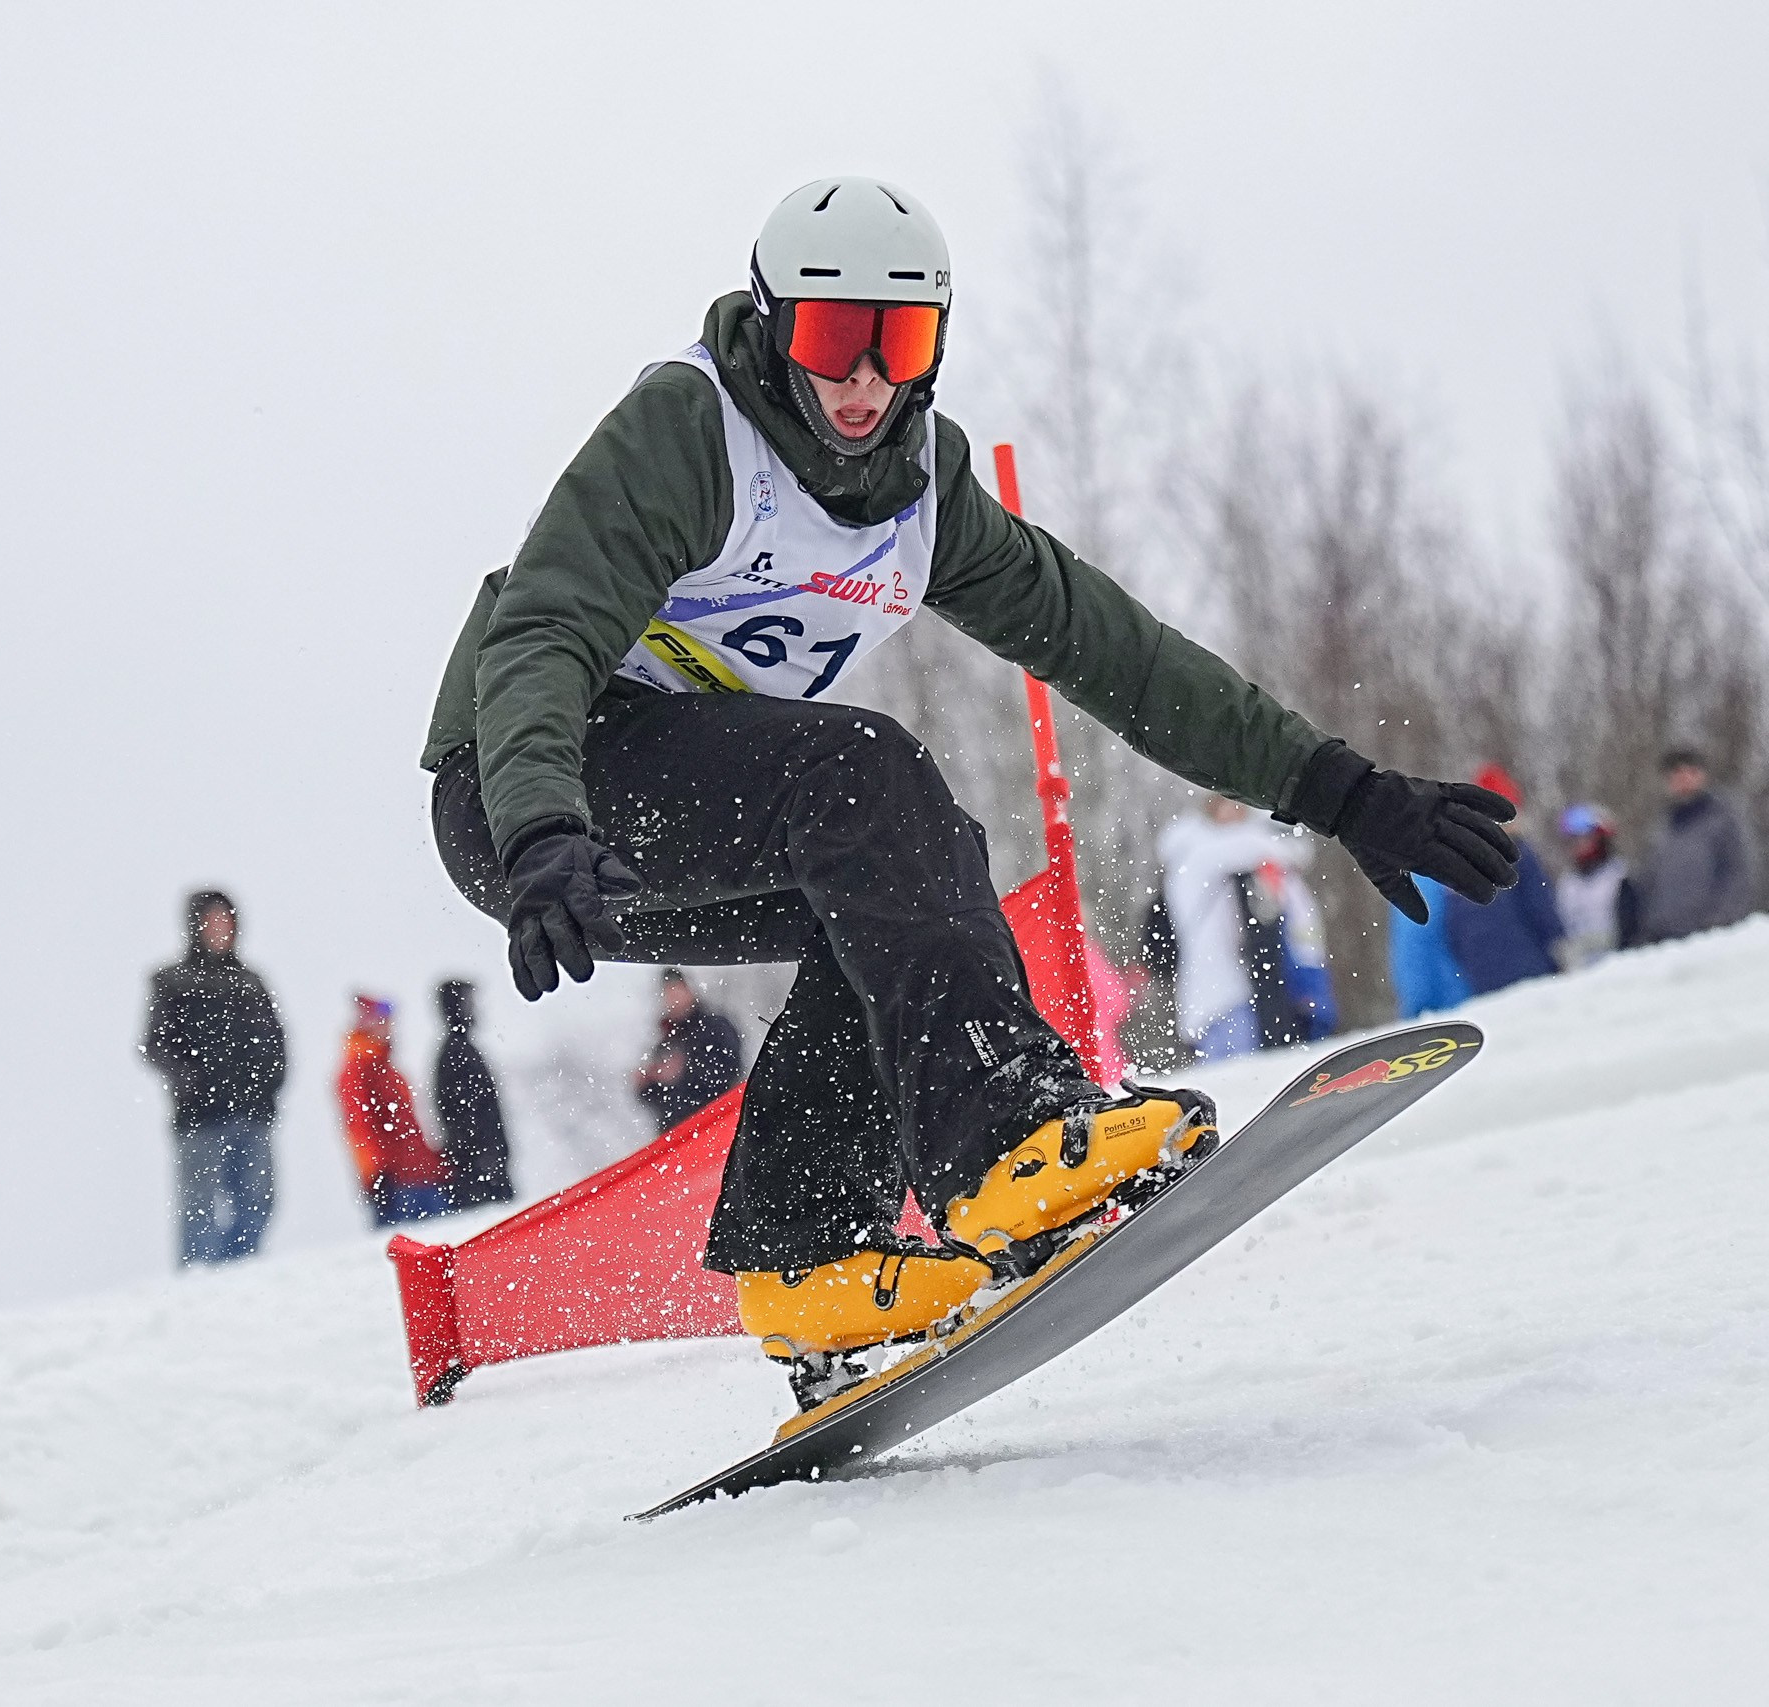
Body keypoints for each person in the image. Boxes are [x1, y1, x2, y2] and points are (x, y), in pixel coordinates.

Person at [420, 176, 1519, 1401]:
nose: (861, 381)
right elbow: (545, 631)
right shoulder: (691, 430)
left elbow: (1118, 655)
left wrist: (1339, 791)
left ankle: (809, 1259)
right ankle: (1008, 1142)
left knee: (909, 873)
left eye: (896, 344)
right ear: (775, 327)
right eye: (832, 338)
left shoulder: (920, 495)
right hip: (532, 789)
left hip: (659, 804)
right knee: (862, 771)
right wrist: (539, 825)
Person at [139, 890, 284, 1266]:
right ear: (194, 926)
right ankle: (200, 1283)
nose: (220, 928)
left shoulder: (250, 982)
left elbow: (275, 1040)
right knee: (199, 1210)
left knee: (259, 1201)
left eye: (226, 920)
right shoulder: (172, 981)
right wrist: (191, 1082)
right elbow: (155, 1044)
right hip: (200, 1119)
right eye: (212, 920)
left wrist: (268, 1086)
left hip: (252, 1114)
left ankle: (240, 1273)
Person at [1155, 796, 1331, 1060]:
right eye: (1231, 805)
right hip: (1218, 994)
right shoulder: (1196, 854)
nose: (1237, 814)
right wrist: (1287, 844)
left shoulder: (1196, 855)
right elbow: (1256, 848)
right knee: (1238, 1073)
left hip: (1223, 992)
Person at [1443, 764, 1567, 997]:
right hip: (1530, 971)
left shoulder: (1458, 864)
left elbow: (1454, 934)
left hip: (1482, 983)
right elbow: (1540, 907)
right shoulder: (1517, 853)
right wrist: (1560, 947)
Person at [336, 995, 453, 1226]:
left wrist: (435, 1163)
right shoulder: (358, 1070)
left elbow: (408, 1126)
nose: (389, 1027)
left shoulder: (385, 1068)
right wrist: (376, 1175)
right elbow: (359, 1127)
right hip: (399, 1185)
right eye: (381, 1020)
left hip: (421, 1177)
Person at [1633, 748, 1762, 944]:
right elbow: (1649, 882)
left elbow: (1739, 874)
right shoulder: (1662, 830)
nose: (1684, 779)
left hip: (1709, 938)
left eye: (1691, 772)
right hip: (1665, 940)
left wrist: (1718, 925)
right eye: (1677, 773)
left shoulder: (1723, 821)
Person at [432, 980, 514, 1208]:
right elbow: (461, 1116)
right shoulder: (455, 1052)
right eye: (468, 1001)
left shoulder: (462, 1049)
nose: (475, 1008)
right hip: (476, 1173)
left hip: (482, 1167)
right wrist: (484, 1157)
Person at [632, 968, 746, 1132]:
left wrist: (683, 1071)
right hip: (678, 1133)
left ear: (689, 990)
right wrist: (647, 1083)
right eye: (668, 993)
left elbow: (729, 1070)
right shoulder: (665, 1041)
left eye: (677, 991)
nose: (673, 999)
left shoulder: (714, 1027)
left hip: (714, 1125)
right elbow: (659, 1101)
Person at [1553, 803, 1634, 970]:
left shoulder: (1619, 877)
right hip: (1581, 969)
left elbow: (1632, 928)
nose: (1580, 845)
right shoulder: (1567, 886)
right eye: (1574, 840)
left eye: (1586, 838)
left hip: (1618, 964)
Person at [1386, 878, 1472, 1019]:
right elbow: (1415, 946)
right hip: (1455, 1002)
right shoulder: (1426, 882)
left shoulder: (1417, 880)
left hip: (1455, 1000)